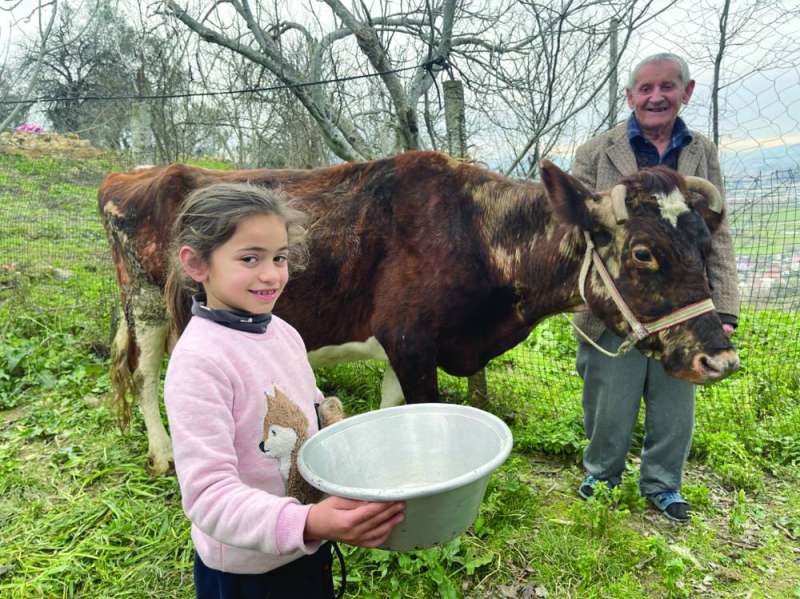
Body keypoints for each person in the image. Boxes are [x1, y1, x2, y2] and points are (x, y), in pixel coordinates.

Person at [163, 182, 405, 598]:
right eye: (250, 258)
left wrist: (352, 458)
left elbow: (312, 411)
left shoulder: (284, 333)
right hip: (248, 573)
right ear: (197, 264)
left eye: (280, 257)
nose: (271, 274)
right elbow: (208, 497)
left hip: (304, 548)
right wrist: (309, 523)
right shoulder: (200, 362)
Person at [571, 53, 740, 522]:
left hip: (683, 303)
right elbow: (576, 227)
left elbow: (717, 233)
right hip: (621, 301)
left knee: (674, 399)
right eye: (645, 88)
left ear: (686, 92)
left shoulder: (701, 152)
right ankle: (601, 474)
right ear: (630, 97)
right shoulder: (595, 152)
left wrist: (724, 309)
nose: (656, 96)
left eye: (667, 86)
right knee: (608, 395)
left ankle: (663, 483)